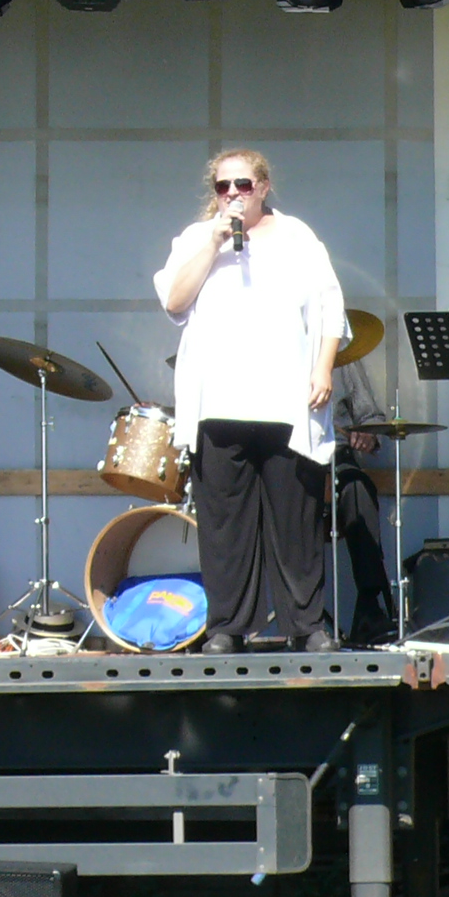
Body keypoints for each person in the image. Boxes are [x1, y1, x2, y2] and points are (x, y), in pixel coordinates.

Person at [157, 149, 346, 655]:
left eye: (242, 184)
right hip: (219, 400)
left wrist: (323, 367)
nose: (233, 195)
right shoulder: (198, 238)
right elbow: (174, 301)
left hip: (286, 399)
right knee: (225, 524)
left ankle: (306, 625)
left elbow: (330, 306)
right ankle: (227, 626)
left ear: (263, 186)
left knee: (295, 519)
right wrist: (214, 241)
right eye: (223, 187)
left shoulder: (297, 236)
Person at [331, 359, 398, 645]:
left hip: (334, 457)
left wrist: (368, 434)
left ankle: (370, 605)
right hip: (284, 462)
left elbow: (369, 416)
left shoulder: (342, 350)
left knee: (358, 489)